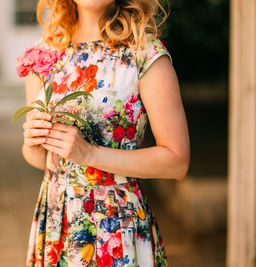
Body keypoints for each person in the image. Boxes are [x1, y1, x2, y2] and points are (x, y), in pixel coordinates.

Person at [21, 0, 190, 266]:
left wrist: (89, 153)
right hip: (56, 223)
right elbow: (43, 161)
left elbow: (177, 161)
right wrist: (32, 145)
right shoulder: (44, 55)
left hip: (114, 226)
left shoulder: (144, 55)